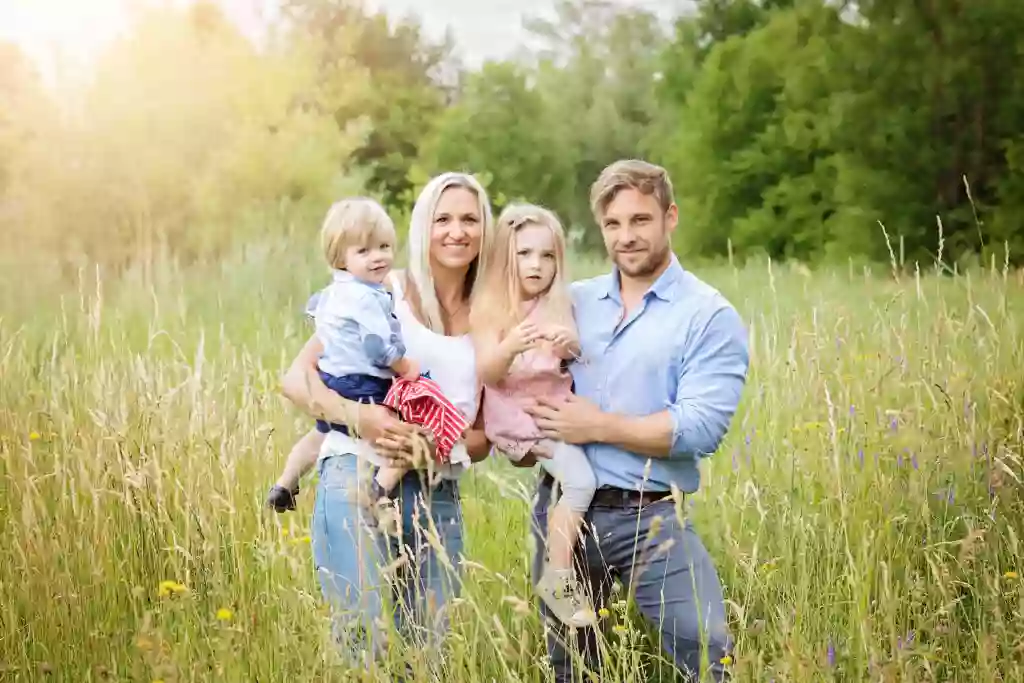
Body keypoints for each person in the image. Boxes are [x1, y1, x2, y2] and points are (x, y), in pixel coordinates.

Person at [521, 159, 749, 682]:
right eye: (613, 224)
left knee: (709, 645)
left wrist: (596, 425)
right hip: (560, 512)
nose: (626, 236)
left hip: (648, 517)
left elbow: (698, 429)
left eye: (640, 220)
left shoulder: (708, 316)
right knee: (573, 665)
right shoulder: (573, 302)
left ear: (670, 216)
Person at [280, 172, 493, 666]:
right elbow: (295, 377)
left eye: (469, 218)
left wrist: (440, 442)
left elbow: (486, 435)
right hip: (355, 473)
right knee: (363, 646)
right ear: (422, 226)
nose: (456, 231)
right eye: (443, 218)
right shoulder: (378, 290)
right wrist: (360, 417)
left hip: (436, 491)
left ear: (486, 228)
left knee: (428, 655)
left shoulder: (491, 314)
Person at [470, 203, 598, 628]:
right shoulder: (490, 307)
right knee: (581, 482)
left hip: (554, 410)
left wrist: (570, 343)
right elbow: (488, 371)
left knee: (583, 474)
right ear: (506, 256)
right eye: (524, 254)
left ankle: (568, 562)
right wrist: (509, 348)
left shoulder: (556, 304)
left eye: (547, 256)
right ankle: (558, 576)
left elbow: (573, 358)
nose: (536, 264)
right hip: (521, 418)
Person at [266, 197, 427, 515]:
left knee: (322, 431)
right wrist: (404, 367)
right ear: (340, 258)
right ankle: (380, 491)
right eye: (363, 251)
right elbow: (377, 346)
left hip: (333, 376)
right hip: (363, 381)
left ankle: (284, 483)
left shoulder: (332, 293)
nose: (378, 257)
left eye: (383, 246)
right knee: (404, 432)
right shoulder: (367, 298)